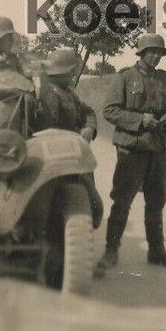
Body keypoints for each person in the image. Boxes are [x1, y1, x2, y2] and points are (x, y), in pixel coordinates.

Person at [97, 33, 166, 274]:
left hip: (159, 149)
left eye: (159, 53)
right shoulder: (125, 77)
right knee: (122, 200)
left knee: (156, 201)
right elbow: (110, 111)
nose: (156, 56)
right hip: (132, 148)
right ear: (141, 53)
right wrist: (139, 120)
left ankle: (156, 250)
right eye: (152, 52)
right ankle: (111, 250)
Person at [36, 48, 103, 224]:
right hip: (62, 156)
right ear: (62, 71)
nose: (74, 74)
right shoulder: (46, 94)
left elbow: (87, 111)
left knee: (92, 207)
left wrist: (89, 127)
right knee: (93, 207)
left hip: (73, 152)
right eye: (72, 70)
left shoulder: (66, 92)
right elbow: (49, 130)